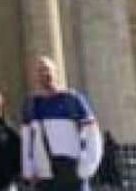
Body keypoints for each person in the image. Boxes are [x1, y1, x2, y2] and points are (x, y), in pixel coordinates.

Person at [20, 57, 102, 191]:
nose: (44, 74)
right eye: (40, 71)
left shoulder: (73, 100)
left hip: (73, 173)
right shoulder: (31, 105)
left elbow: (93, 135)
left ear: (55, 72)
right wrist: (28, 169)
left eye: (47, 70)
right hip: (45, 176)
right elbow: (27, 140)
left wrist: (87, 166)